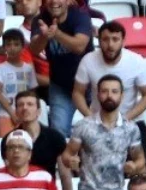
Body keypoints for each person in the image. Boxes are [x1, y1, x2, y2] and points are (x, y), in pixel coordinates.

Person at [64, 75, 145, 190]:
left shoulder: (131, 128)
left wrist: (134, 165)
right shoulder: (83, 126)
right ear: (98, 95)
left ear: (122, 95)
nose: (110, 95)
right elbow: (67, 155)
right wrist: (72, 160)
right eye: (105, 91)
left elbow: (140, 159)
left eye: (114, 91)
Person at [72, 21, 146, 134]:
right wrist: (91, 117)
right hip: (97, 123)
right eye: (105, 39)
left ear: (123, 41)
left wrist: (125, 119)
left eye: (115, 39)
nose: (110, 45)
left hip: (131, 121)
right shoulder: (88, 60)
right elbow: (77, 93)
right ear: (99, 41)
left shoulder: (136, 61)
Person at [28, 0, 91, 137]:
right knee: (58, 132)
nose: (54, 1)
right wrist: (44, 36)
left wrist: (57, 34)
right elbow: (34, 49)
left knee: (98, 129)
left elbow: (80, 47)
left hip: (90, 86)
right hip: (60, 85)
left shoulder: (80, 17)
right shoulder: (40, 19)